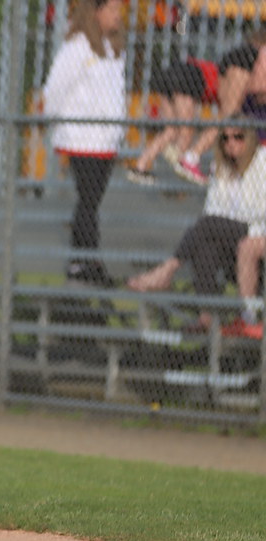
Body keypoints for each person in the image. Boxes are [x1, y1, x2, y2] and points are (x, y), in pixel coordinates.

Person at [127, 122, 266, 339]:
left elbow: (259, 215)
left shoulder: (262, 162)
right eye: (225, 138)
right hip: (228, 236)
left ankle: (167, 270)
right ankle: (207, 315)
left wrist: (226, 222)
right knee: (205, 242)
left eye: (238, 137)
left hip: (258, 231)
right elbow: (212, 209)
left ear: (249, 138)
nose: (231, 144)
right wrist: (224, 223)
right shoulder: (220, 167)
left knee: (207, 225)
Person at [41, 0, 126, 287]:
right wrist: (50, 119)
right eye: (112, 10)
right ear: (96, 12)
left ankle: (81, 261)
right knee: (89, 200)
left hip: (105, 139)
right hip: (82, 138)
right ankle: (88, 261)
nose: (117, 15)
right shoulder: (78, 46)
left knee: (91, 201)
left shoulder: (112, 48)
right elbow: (56, 86)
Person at [169, 29, 266, 186]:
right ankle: (192, 156)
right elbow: (260, 85)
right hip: (240, 63)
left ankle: (200, 159)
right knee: (229, 118)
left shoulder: (250, 54)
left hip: (233, 62)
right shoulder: (257, 54)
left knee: (227, 118)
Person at [127, 56, 218, 186]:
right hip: (187, 77)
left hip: (171, 73)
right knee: (186, 127)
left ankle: (140, 166)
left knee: (171, 129)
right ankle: (182, 165)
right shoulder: (225, 83)